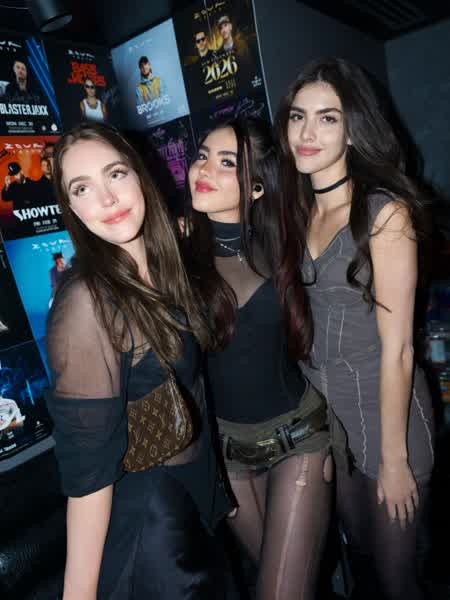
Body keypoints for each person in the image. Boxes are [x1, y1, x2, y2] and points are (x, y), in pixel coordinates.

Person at [46, 122, 233, 599]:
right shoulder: (88, 301)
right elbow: (88, 470)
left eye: (115, 174)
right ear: (72, 208)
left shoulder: (164, 265)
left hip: (192, 507)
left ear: (139, 175)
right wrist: (79, 593)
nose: (107, 199)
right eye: (82, 188)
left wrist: (214, 493)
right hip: (155, 534)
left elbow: (193, 392)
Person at [275, 57, 435, 600]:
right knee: (361, 566)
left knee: (396, 582)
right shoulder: (299, 211)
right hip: (331, 425)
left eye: (327, 118)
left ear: (352, 130)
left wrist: (395, 459)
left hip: (390, 420)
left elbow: (400, 351)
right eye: (298, 117)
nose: (307, 133)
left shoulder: (384, 214)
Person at [182, 116, 335, 600]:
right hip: (227, 455)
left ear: (256, 188)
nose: (204, 169)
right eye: (202, 156)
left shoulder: (291, 245)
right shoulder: (176, 258)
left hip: (299, 440)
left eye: (227, 162)